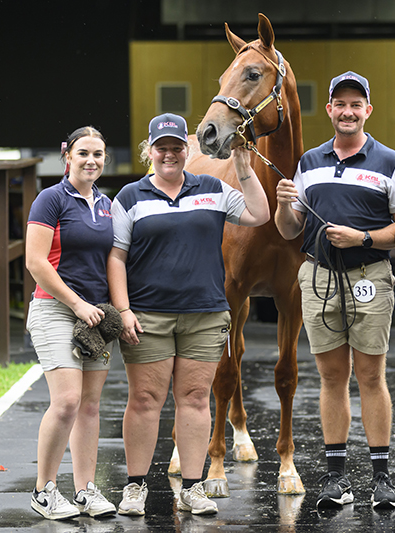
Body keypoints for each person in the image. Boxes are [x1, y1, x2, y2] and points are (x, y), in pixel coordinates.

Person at [108, 113, 269, 516]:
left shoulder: (213, 188)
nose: (169, 154)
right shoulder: (130, 196)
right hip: (149, 316)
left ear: (187, 149)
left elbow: (260, 215)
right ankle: (135, 487)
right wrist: (123, 310)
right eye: (161, 147)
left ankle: (193, 488)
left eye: (176, 147)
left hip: (204, 314)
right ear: (150, 150)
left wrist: (246, 170)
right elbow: (116, 256)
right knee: (145, 400)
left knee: (196, 400)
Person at [275, 71, 395, 510]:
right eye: (341, 103)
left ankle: (381, 477)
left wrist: (363, 238)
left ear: (367, 111)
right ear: (330, 109)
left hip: (368, 277)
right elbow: (290, 229)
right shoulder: (308, 163)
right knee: (332, 378)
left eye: (357, 104)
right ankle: (336, 479)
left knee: (371, 377)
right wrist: (282, 205)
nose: (348, 111)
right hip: (317, 279)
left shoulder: (390, 162)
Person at [25, 126, 116, 520]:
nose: (91, 160)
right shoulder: (51, 199)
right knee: (66, 403)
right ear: (68, 155)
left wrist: (117, 311)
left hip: (95, 315)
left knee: (90, 406)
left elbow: (112, 262)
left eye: (97, 154)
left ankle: (85, 490)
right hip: (56, 309)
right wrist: (77, 304)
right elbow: (36, 262)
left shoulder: (106, 203)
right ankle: (44, 490)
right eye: (83, 153)